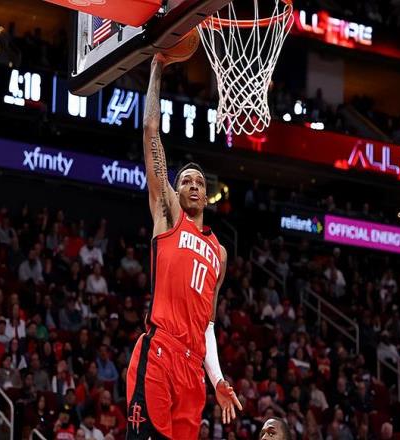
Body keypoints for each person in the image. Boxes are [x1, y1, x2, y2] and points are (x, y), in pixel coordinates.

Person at [125, 53, 241, 440]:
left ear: (206, 196)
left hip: (193, 373)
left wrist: (218, 379)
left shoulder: (219, 253)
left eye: (199, 183)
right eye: (186, 181)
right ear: (174, 192)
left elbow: (207, 325)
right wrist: (157, 67)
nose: (193, 185)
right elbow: (150, 132)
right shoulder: (169, 216)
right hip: (161, 352)